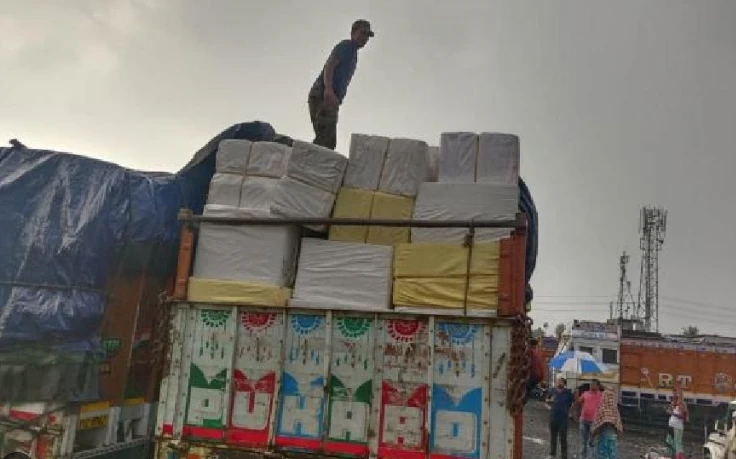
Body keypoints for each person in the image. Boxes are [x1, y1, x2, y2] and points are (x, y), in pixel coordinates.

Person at [308, 19, 374, 150]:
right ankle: (309, 164)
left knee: (325, 140)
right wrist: (328, 90)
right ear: (353, 32)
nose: (365, 38)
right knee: (326, 142)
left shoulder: (353, 52)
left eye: (368, 35)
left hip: (330, 97)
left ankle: (308, 163)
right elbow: (330, 65)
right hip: (324, 95)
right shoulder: (347, 46)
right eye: (363, 33)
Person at [546, 377, 574, 459]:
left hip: (563, 418)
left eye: (561, 382)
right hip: (553, 416)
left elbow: (572, 404)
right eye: (558, 381)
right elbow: (546, 400)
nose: (559, 383)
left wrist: (570, 412)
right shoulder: (552, 390)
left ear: (564, 384)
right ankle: (552, 454)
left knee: (563, 437)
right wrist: (549, 405)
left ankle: (564, 455)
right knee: (553, 436)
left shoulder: (568, 393)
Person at [591, 388, 623, 459]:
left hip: (603, 436)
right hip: (613, 437)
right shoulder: (615, 410)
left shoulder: (602, 409)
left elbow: (599, 425)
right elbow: (618, 427)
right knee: (612, 455)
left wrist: (593, 435)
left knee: (602, 455)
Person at [576, 379, 603, 459]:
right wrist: (577, 394)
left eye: (594, 384)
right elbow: (578, 402)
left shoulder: (601, 395)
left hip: (594, 422)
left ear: (598, 386)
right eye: (591, 384)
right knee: (583, 442)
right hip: (583, 420)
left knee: (592, 442)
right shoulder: (585, 393)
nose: (592, 386)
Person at [667, 386, 688, 459]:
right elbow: (669, 410)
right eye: (674, 394)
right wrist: (670, 411)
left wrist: (673, 413)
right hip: (672, 425)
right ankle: (672, 456)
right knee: (670, 441)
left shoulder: (682, 405)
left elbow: (682, 416)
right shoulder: (673, 403)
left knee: (677, 442)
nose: (674, 395)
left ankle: (680, 457)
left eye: (676, 394)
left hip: (678, 427)